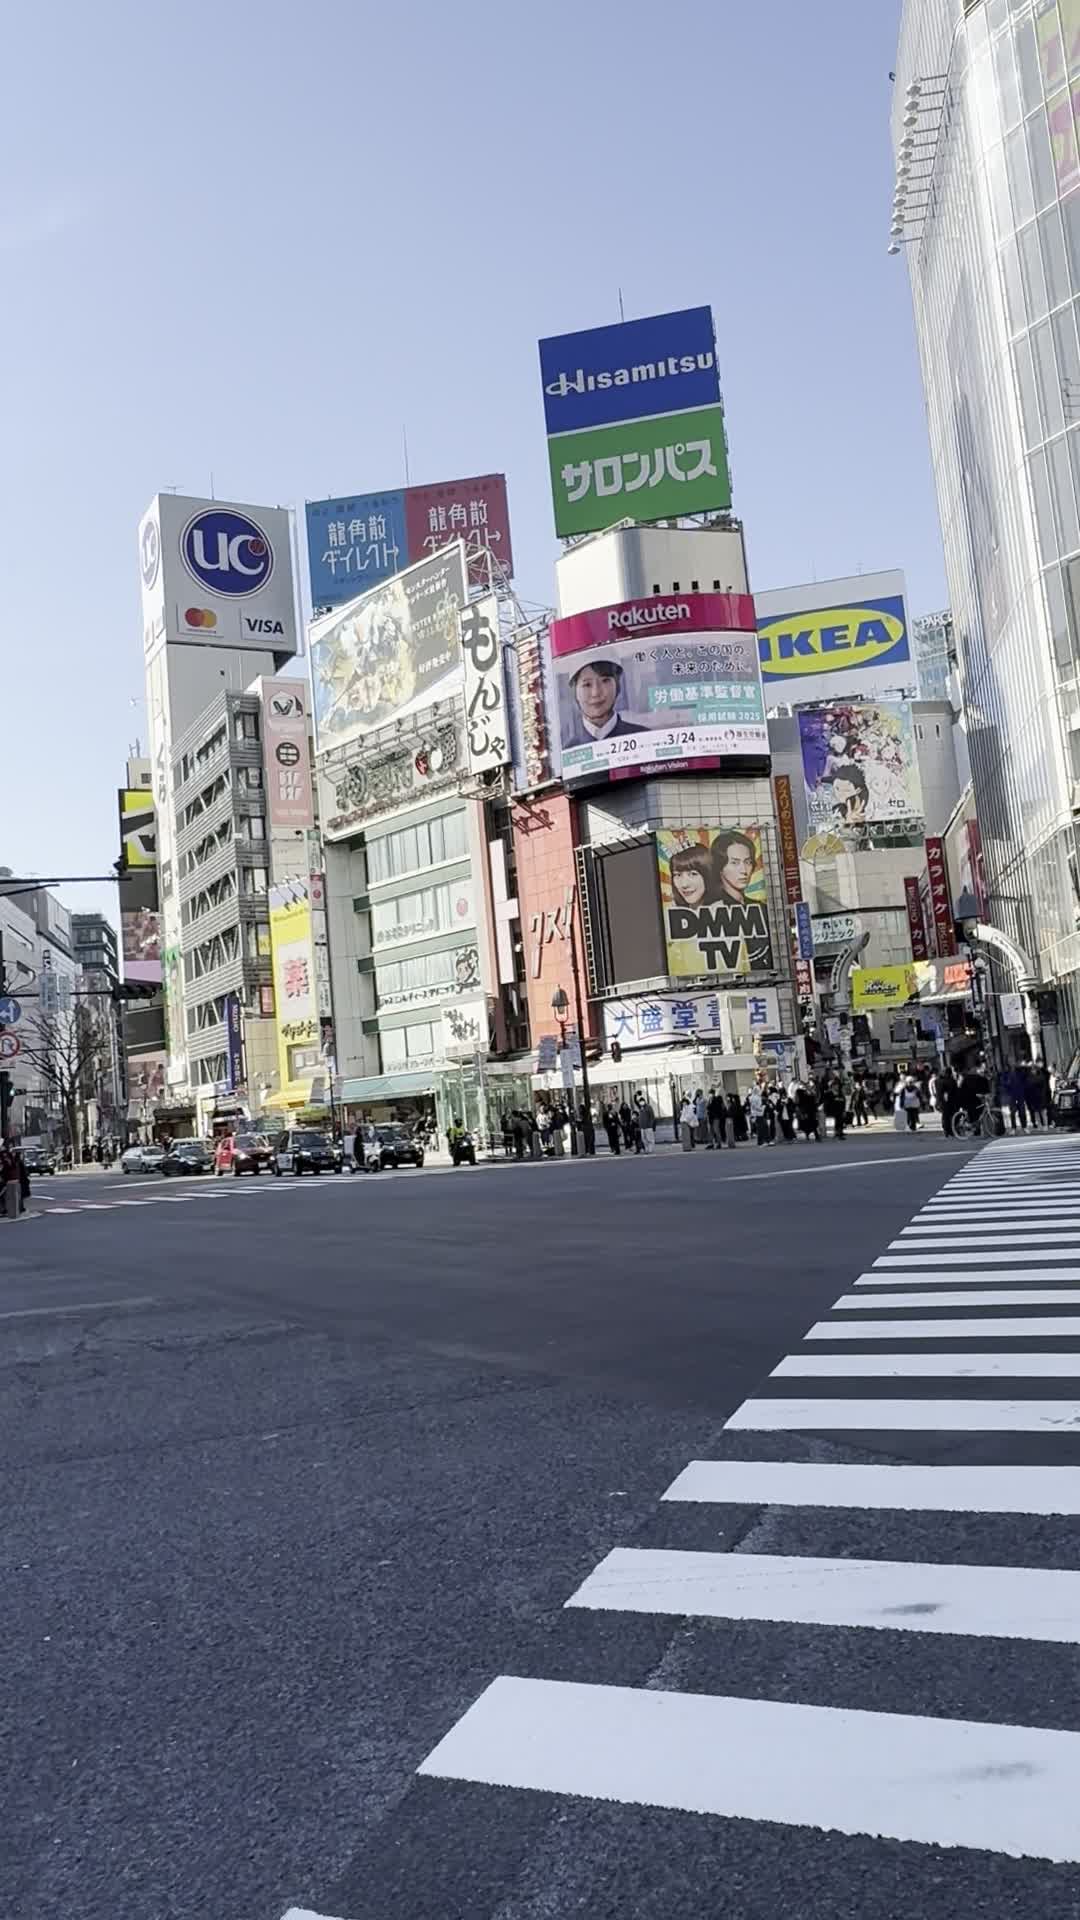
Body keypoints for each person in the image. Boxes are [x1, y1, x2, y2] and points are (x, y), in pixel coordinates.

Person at [564, 658, 648, 747]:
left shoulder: (644, 737)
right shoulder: (569, 750)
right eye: (587, 684)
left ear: (617, 686)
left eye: (605, 681)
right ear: (575, 692)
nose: (596, 693)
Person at [1, 1139, 26, 1221]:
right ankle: (10, 1209)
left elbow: (11, 1166)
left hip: (10, 1178)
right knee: (9, 1194)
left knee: (10, 1194)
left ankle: (8, 1209)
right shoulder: (7, 1156)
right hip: (10, 1178)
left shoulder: (8, 1156)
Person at [1003, 1064, 1029, 1132]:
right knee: (1015, 1112)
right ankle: (1017, 1128)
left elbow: (1025, 1079)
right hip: (1015, 1096)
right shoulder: (1008, 1074)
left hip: (1017, 1095)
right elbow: (1005, 1084)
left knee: (1019, 1112)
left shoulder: (1018, 1074)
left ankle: (1022, 1127)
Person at [747, 1081, 770, 1147]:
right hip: (758, 1114)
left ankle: (765, 1141)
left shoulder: (752, 1097)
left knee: (762, 1127)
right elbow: (755, 1107)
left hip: (756, 1114)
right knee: (761, 1128)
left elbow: (753, 1107)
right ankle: (761, 1142)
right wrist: (762, 1108)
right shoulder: (756, 1098)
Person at [1025, 1063, 1047, 1129]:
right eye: (1032, 1070)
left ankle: (1045, 1125)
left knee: (1042, 1112)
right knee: (1036, 1112)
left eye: (1034, 1070)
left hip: (1040, 1096)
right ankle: (1040, 1125)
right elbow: (1028, 1088)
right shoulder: (1029, 1078)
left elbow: (1044, 1087)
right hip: (1034, 1097)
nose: (1033, 1071)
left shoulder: (1040, 1077)